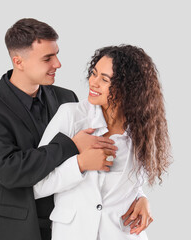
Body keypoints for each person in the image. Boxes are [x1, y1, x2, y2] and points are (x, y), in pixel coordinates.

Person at [0, 18, 151, 240]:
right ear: (19, 61)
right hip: (18, 226)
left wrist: (138, 196)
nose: (58, 64)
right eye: (47, 58)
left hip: (70, 223)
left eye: (56, 54)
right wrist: (72, 146)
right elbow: (10, 171)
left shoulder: (66, 98)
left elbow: (105, 168)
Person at [33, 45, 171, 240]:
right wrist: (80, 164)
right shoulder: (71, 116)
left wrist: (141, 198)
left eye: (104, 79)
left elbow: (127, 182)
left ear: (128, 89)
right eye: (94, 73)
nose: (93, 82)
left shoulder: (143, 129)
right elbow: (36, 183)